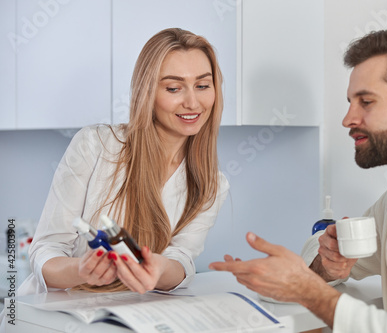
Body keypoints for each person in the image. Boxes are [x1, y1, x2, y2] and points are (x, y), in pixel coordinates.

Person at [209, 30, 387, 332]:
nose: (348, 118)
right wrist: (328, 261)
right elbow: (327, 255)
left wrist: (308, 291)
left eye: (366, 102)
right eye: (350, 102)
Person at [18, 28, 230, 295]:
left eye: (202, 86)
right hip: (49, 315)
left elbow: (183, 259)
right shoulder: (95, 145)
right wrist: (80, 270)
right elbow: (45, 249)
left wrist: (160, 268)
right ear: (147, 93)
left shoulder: (211, 184)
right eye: (174, 88)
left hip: (125, 315)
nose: (192, 102)